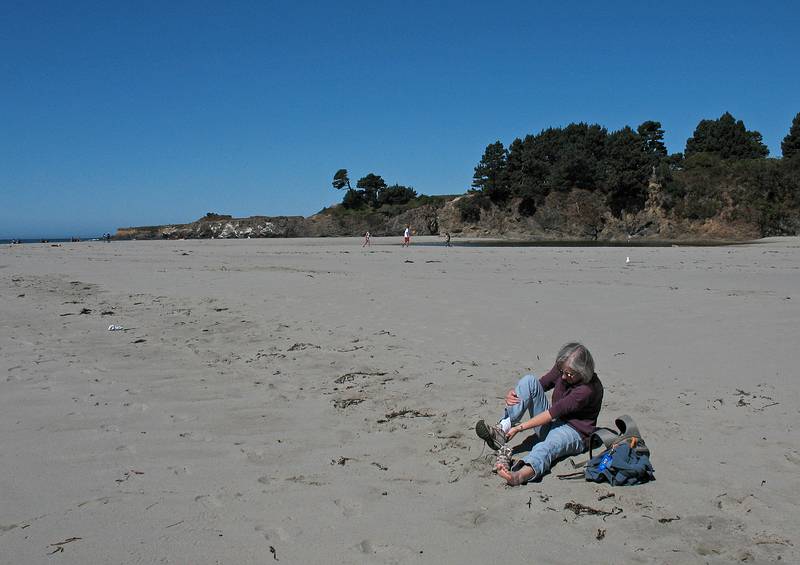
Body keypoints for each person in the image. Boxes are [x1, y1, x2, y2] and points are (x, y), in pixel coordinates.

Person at [475, 342, 603, 486]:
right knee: (529, 381)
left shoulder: (586, 390)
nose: (564, 377)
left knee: (546, 447)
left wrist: (519, 428)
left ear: (583, 372)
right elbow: (539, 385)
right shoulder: (563, 368)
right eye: (562, 371)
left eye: (569, 374)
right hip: (554, 423)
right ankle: (502, 429)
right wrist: (514, 395)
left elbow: (553, 412)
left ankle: (519, 475)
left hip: (574, 433)